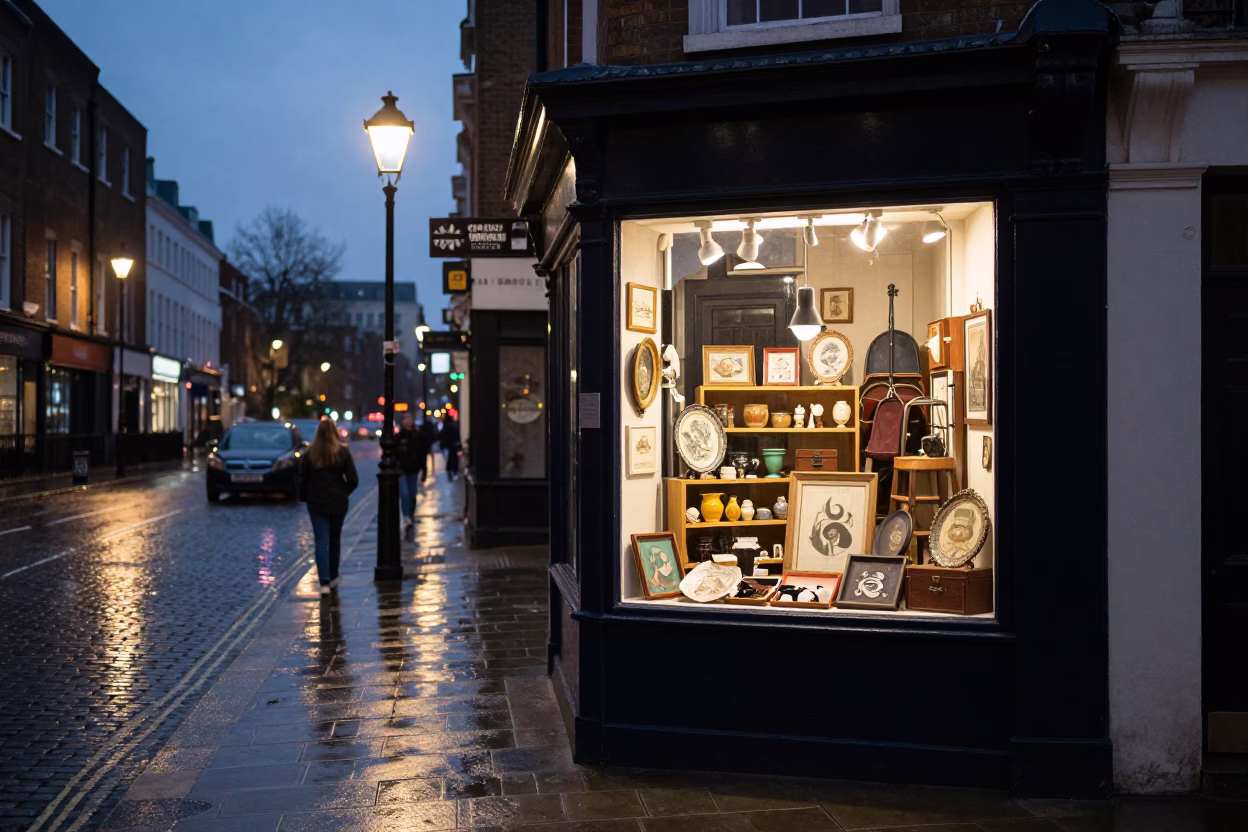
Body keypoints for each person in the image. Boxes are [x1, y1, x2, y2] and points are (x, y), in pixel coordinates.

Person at [299, 418, 359, 594]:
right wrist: (342, 492)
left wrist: (305, 497)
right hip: (337, 503)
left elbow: (303, 480)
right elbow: (353, 480)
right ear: (335, 433)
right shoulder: (342, 453)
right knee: (334, 540)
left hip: (316, 502)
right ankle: (333, 576)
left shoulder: (310, 454)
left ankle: (323, 581)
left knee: (320, 541)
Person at [396, 413, 430, 528]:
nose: (407, 421)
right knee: (404, 493)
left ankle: (411, 515)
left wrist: (424, 468)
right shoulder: (399, 436)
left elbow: (422, 453)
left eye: (409, 419)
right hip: (402, 469)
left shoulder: (418, 436)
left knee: (412, 494)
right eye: (405, 419)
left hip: (414, 468)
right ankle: (406, 516)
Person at [440, 416, 462, 481]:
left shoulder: (445, 427)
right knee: (454, 459)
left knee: (448, 459)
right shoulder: (453, 426)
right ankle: (454, 472)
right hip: (453, 446)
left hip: (447, 446)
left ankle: (450, 471)